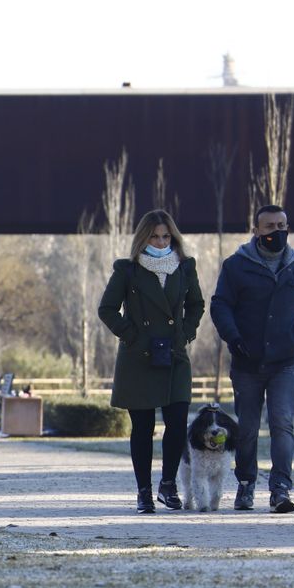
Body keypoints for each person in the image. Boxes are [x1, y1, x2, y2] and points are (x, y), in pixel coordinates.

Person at [210, 204, 294, 513]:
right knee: (246, 428)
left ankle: (280, 490)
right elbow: (220, 305)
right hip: (247, 362)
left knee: (282, 424)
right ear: (256, 230)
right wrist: (233, 338)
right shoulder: (236, 266)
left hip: (286, 361)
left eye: (281, 225)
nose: (277, 231)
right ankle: (246, 484)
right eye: (270, 226)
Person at [98, 209, 206, 513]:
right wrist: (131, 336)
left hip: (174, 354)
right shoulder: (127, 270)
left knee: (177, 422)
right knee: (142, 428)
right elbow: (107, 309)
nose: (160, 241)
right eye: (154, 236)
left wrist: (185, 333)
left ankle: (167, 486)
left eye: (165, 236)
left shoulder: (185, 268)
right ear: (143, 238)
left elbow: (197, 304)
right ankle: (143, 492)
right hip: (139, 357)